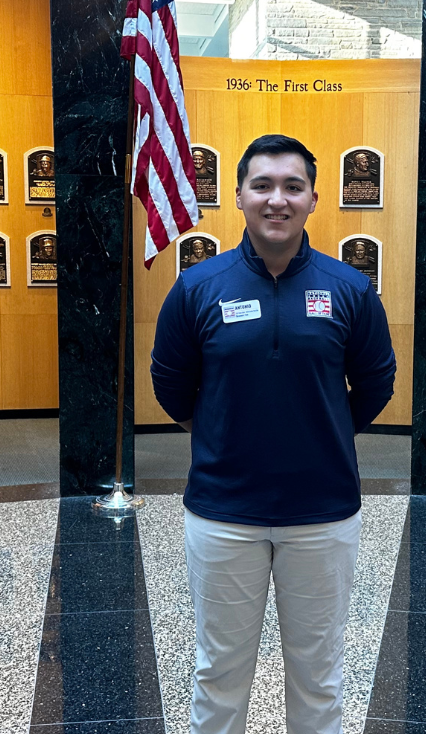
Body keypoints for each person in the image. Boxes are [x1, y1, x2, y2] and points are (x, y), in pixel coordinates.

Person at [151, 133, 396, 734]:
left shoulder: (349, 289)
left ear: (314, 198)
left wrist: (323, 431)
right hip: (222, 513)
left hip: (323, 515)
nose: (276, 199)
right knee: (218, 672)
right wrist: (220, 433)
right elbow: (171, 384)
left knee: (318, 674)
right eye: (262, 185)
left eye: (292, 186)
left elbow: (375, 383)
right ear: (239, 197)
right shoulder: (198, 287)